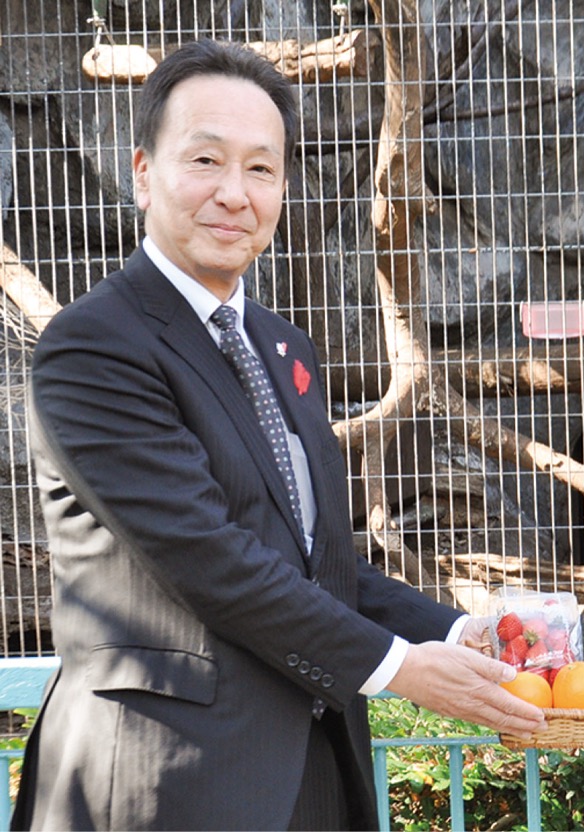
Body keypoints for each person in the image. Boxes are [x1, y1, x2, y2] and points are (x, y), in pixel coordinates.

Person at [13, 38, 544, 831]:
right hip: (163, 783)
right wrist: (399, 666)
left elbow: (317, 561)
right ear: (143, 172)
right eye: (206, 161)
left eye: (261, 168)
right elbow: (212, 558)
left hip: (314, 776)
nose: (234, 193)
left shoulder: (283, 347)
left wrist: (459, 629)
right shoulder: (94, 347)